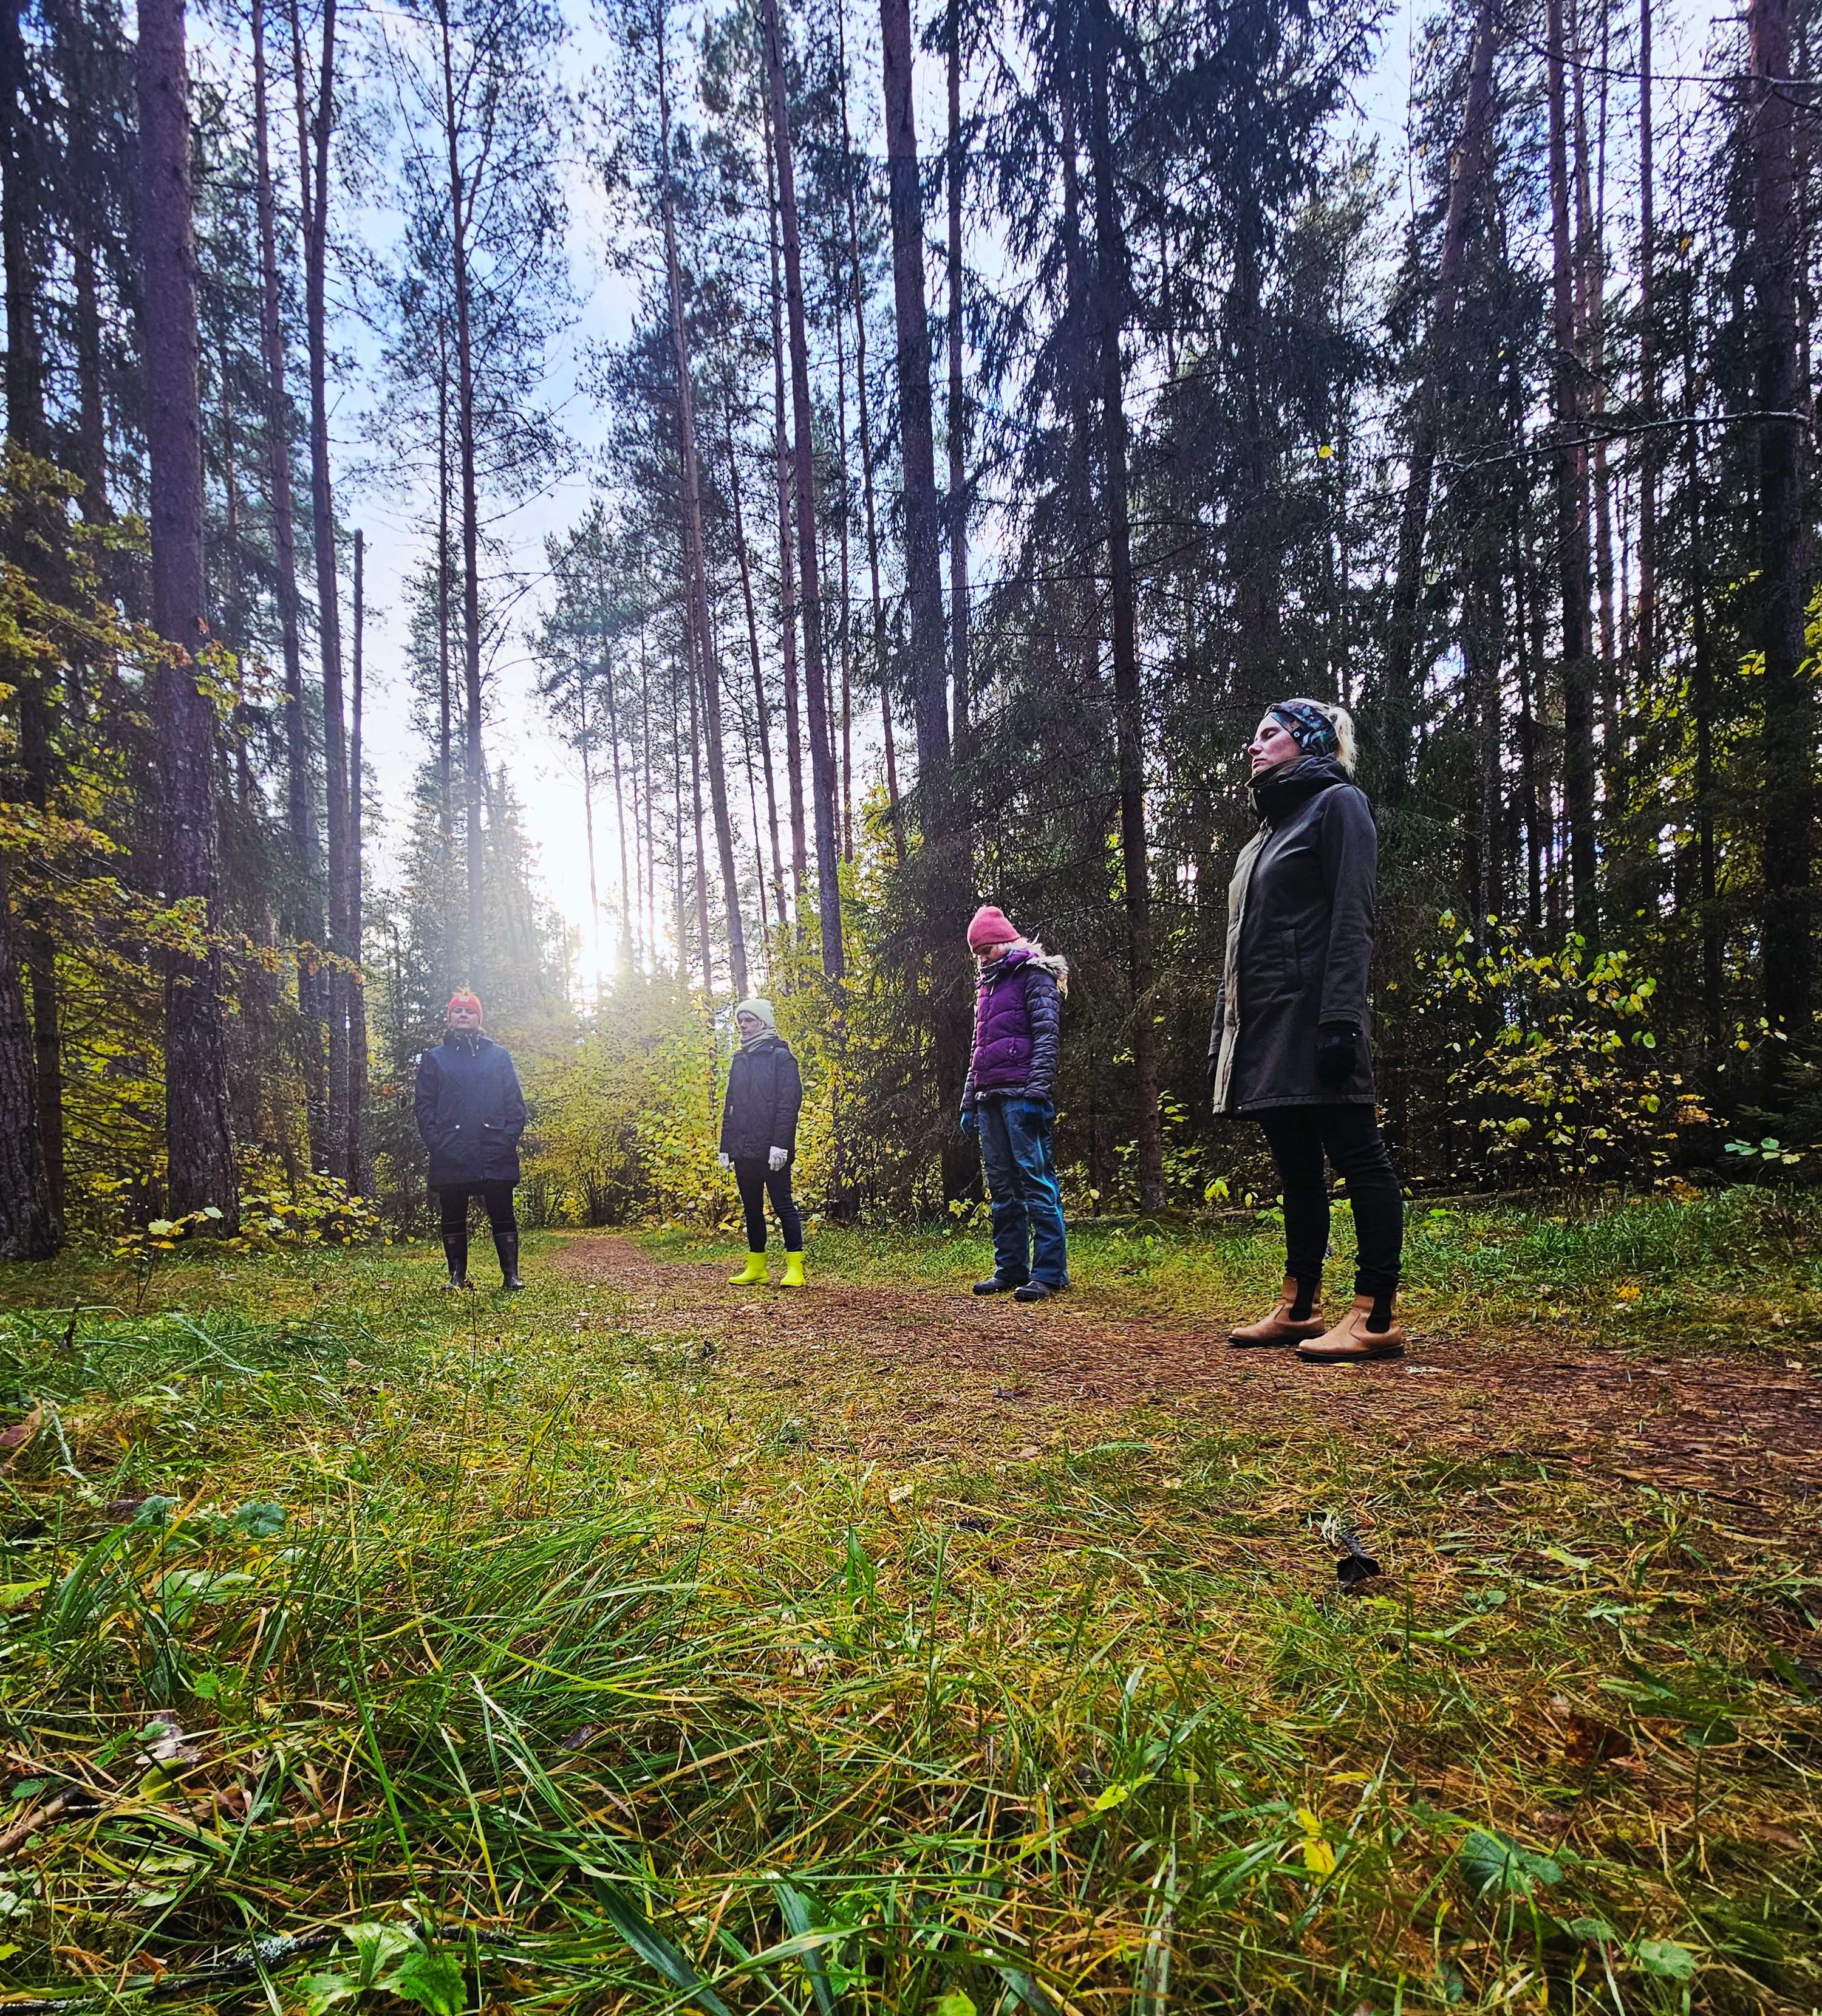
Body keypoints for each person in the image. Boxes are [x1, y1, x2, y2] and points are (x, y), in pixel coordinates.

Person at [1208, 699, 1406, 1361]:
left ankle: (1375, 1314)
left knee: (1358, 1154)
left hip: (1319, 1014)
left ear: (1310, 742)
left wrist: (1341, 1020)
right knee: (1296, 1168)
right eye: (1254, 736)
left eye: (1269, 735)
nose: (1254, 747)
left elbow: (1354, 916)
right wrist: (1226, 1036)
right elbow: (1240, 948)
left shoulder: (1338, 805)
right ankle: (1299, 1306)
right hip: (1267, 1022)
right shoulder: (1262, 837)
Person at [961, 905, 1070, 1302]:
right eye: (977, 952)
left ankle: (1049, 1272)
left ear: (1005, 941)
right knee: (1002, 1186)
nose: (982, 957)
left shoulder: (1034, 975)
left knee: (1035, 1180)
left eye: (986, 949)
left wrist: (1037, 1094)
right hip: (989, 1096)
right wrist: (969, 1100)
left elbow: (1046, 1038)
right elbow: (978, 1048)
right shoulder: (986, 986)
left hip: (1023, 1094)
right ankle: (1010, 1268)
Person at [415, 989, 528, 1291]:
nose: (463, 1016)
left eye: (470, 1012)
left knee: (503, 1211)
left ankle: (511, 1276)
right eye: (458, 1012)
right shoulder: (434, 1059)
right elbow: (424, 1106)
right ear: (450, 1018)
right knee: (452, 1214)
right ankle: (456, 1277)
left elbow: (516, 1105)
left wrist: (507, 1139)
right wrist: (438, 1143)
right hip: (450, 1149)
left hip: (495, 1148)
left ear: (479, 1018)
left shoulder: (499, 1057)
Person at [718, 997, 806, 1287]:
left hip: (773, 1150)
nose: (743, 1025)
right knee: (752, 1209)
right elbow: (731, 1105)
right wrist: (726, 1146)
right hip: (744, 1149)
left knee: (783, 1205)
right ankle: (757, 1267)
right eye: (740, 1020)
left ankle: (796, 1268)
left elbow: (788, 1104)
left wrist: (781, 1145)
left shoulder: (782, 1058)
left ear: (764, 1023)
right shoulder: (739, 1059)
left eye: (749, 1020)